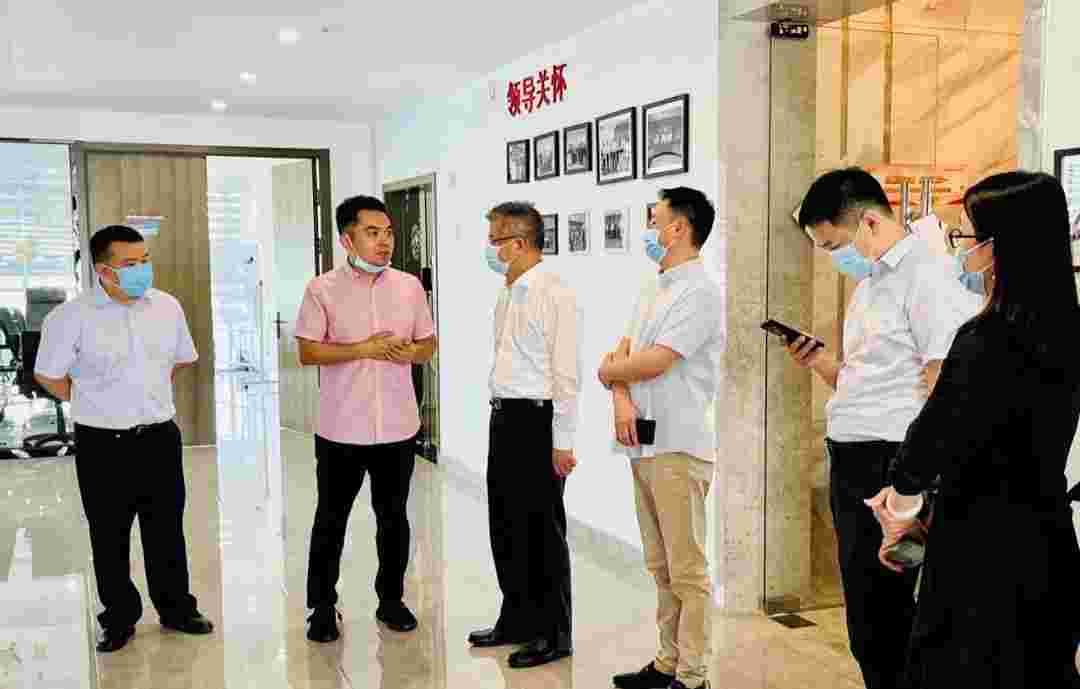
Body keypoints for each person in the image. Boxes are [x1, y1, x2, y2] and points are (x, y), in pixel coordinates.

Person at [865, 171, 1080, 688]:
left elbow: (930, 442)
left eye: (966, 235)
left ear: (998, 246)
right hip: (1048, 539)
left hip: (977, 548)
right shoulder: (1068, 330)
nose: (960, 248)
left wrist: (902, 500)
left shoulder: (984, 340)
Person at [784, 168, 983, 689]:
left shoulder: (927, 276)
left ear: (869, 221)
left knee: (885, 615)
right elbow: (867, 380)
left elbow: (945, 386)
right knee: (868, 614)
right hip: (855, 460)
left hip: (892, 462)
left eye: (835, 245)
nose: (835, 258)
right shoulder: (873, 284)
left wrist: (917, 482)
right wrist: (821, 362)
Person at [34, 225, 214, 653]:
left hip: (159, 439)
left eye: (145, 260)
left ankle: (176, 608)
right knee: (109, 534)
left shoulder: (167, 307)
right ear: (103, 270)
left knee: (166, 530)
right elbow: (48, 374)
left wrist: (142, 394)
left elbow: (179, 361)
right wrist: (93, 400)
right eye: (130, 264)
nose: (142, 270)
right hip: (103, 444)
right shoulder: (71, 317)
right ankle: (118, 617)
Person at [296, 195, 437, 643]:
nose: (384, 242)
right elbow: (308, 351)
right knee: (331, 520)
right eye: (372, 233)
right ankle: (322, 607)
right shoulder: (321, 289)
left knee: (393, 519)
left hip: (397, 426)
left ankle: (391, 600)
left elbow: (428, 344)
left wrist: (409, 352)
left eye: (388, 232)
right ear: (347, 239)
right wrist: (364, 349)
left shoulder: (409, 288)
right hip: (341, 428)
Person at [600, 187, 722, 689]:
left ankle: (692, 677)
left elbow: (656, 361)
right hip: (643, 444)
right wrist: (619, 397)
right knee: (660, 565)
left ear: (678, 229)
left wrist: (609, 373)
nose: (648, 230)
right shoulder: (655, 286)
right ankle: (667, 662)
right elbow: (623, 352)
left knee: (687, 571)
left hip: (678, 445)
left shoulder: (700, 293)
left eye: (654, 220)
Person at [467, 201, 580, 669]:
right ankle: (516, 618)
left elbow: (566, 373)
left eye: (494, 240)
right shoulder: (509, 291)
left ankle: (554, 633)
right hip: (505, 417)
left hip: (537, 421)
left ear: (517, 243)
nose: (489, 249)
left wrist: (562, 441)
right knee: (506, 524)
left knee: (542, 533)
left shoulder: (554, 292)